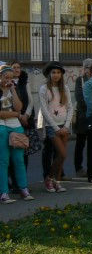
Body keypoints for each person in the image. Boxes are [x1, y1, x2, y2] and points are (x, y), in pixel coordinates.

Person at [0, 65, 34, 203]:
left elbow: (19, 107)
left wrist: (13, 89)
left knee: (19, 160)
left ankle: (23, 189)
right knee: (3, 162)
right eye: (6, 77)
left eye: (11, 77)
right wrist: (16, 114)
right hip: (1, 127)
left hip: (16, 127)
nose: (9, 80)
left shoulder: (14, 88)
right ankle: (4, 193)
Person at [39, 61, 72, 193]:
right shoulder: (44, 89)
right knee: (62, 154)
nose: (56, 75)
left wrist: (67, 125)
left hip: (64, 125)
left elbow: (70, 107)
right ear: (49, 74)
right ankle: (49, 178)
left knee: (61, 155)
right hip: (52, 126)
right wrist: (55, 127)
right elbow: (45, 110)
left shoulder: (65, 88)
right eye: (53, 72)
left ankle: (57, 181)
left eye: (58, 72)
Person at [8, 60, 34, 193]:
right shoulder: (7, 83)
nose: (17, 70)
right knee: (13, 152)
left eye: (18, 67)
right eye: (14, 68)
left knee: (24, 153)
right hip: (14, 120)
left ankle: (22, 182)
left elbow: (30, 101)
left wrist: (27, 115)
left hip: (26, 120)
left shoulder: (25, 82)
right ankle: (14, 183)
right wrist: (19, 116)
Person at [73, 58, 92, 177]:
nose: (90, 71)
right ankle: (79, 167)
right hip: (83, 116)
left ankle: (91, 167)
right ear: (85, 69)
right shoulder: (80, 80)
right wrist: (90, 108)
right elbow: (79, 97)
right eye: (88, 68)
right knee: (80, 144)